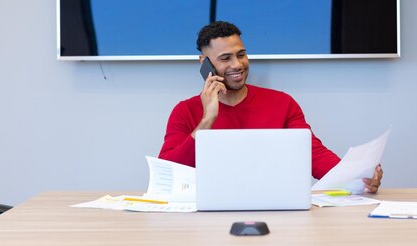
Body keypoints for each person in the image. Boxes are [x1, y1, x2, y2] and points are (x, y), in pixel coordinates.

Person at [158, 21, 383, 192]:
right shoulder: (185, 111)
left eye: (241, 55)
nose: (237, 64)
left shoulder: (282, 103)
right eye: (225, 58)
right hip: (206, 214)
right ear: (204, 63)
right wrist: (207, 120)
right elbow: (168, 173)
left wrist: (356, 177)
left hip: (274, 206)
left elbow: (313, 154)